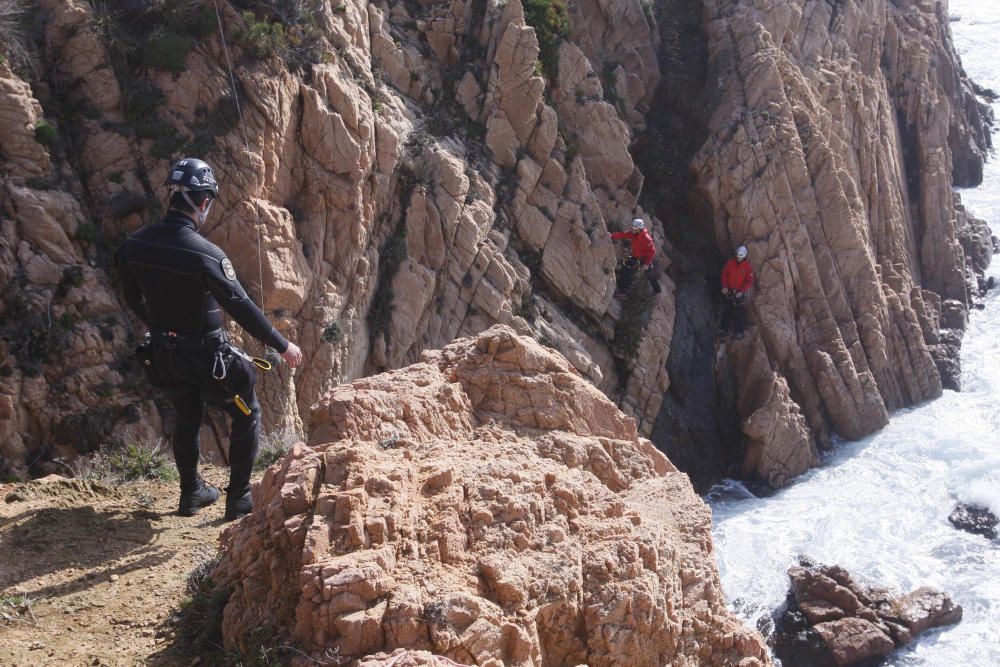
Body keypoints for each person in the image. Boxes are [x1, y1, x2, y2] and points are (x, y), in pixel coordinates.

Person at [114, 158, 303, 520]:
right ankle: (239, 498)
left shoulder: (133, 247)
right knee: (246, 410)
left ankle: (190, 494)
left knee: (186, 410)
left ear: (172, 196)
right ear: (203, 203)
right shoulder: (205, 254)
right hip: (208, 358)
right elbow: (241, 306)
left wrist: (159, 325)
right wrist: (282, 344)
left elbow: (132, 297)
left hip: (165, 356)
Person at [611, 218, 656, 298]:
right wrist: (611, 236)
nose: (632, 230)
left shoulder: (646, 238)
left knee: (629, 274)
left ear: (640, 229)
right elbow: (622, 235)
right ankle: (620, 287)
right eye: (632, 228)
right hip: (635, 257)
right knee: (624, 270)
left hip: (643, 260)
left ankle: (623, 293)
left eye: (634, 228)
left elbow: (652, 252)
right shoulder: (633, 234)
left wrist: (646, 264)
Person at [720, 244, 754, 340]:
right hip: (730, 290)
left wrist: (741, 291)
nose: (739, 258)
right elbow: (724, 274)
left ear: (744, 257)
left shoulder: (747, 267)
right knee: (727, 310)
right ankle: (723, 329)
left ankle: (738, 331)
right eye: (738, 256)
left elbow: (749, 281)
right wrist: (725, 286)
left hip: (740, 292)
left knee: (740, 312)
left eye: (741, 257)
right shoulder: (730, 263)